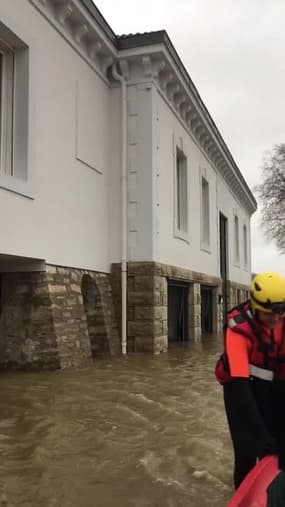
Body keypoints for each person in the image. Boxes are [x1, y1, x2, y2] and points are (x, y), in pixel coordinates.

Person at [215, 271, 285, 490]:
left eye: (279, 312)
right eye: (267, 313)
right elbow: (240, 389)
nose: (274, 319)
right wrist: (259, 435)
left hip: (275, 386)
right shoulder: (238, 330)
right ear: (255, 308)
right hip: (242, 388)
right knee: (247, 450)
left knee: (279, 443)